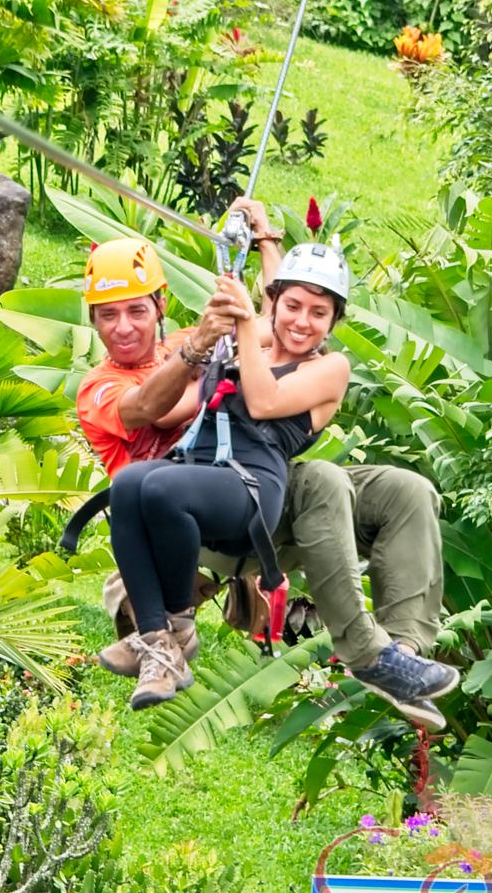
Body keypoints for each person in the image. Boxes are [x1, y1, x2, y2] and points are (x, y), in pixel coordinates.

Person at [73, 202, 458, 727]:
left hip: (258, 482)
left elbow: (284, 316)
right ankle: (360, 651)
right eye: (108, 315)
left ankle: (402, 653)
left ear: (161, 306)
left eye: (137, 311)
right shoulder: (120, 378)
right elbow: (149, 407)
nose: (124, 327)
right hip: (195, 512)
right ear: (91, 320)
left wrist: (266, 243)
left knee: (405, 489)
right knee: (303, 478)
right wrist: (210, 347)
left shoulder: (238, 344)